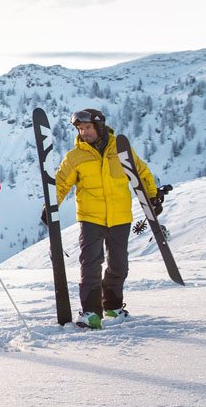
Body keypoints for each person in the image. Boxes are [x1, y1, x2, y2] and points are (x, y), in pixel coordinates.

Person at [54, 107, 161, 329]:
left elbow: (141, 173)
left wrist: (152, 196)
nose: (84, 132)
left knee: (119, 265)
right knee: (90, 264)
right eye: (81, 129)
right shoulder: (75, 157)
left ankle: (113, 306)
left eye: (88, 128)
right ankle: (91, 312)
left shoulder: (120, 150)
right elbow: (62, 183)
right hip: (90, 217)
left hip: (120, 216)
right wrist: (51, 206)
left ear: (99, 127)